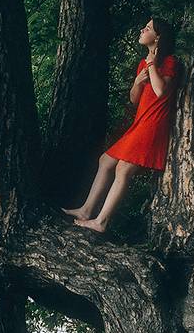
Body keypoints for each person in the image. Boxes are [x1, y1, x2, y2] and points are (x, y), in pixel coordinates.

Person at [62, 17, 180, 233]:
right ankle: (86, 211)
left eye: (147, 28)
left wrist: (152, 64)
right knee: (105, 160)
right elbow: (135, 100)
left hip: (153, 126)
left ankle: (101, 222)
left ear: (158, 37)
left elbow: (160, 91)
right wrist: (137, 82)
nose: (142, 30)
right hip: (140, 123)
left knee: (123, 168)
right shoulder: (143, 64)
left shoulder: (170, 62)